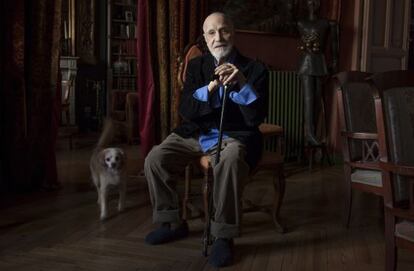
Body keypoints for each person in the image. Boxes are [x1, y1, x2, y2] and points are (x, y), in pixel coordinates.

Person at [144, 12, 268, 268]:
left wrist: (243, 84)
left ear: (234, 33)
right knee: (156, 158)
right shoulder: (197, 66)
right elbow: (186, 110)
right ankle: (172, 222)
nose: (218, 37)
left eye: (224, 31)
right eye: (211, 33)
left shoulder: (255, 68)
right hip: (195, 133)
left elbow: (255, 119)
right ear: (205, 38)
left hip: (234, 135)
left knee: (231, 160)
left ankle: (223, 236)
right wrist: (210, 89)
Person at [297, 0, 339, 146]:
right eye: (310, 1)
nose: (313, 3)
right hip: (306, 63)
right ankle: (309, 133)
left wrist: (334, 62)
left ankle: (315, 133)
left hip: (319, 63)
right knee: (308, 100)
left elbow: (334, 44)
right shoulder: (301, 23)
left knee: (317, 99)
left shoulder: (326, 23)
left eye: (316, 1)